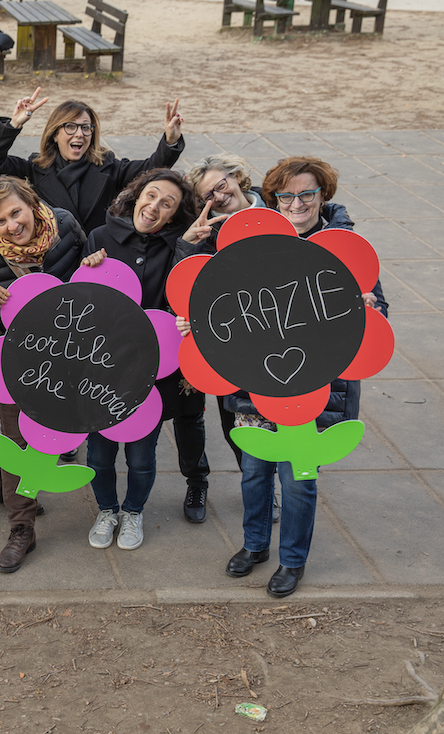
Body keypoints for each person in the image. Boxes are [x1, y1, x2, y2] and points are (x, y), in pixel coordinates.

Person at [216, 156, 388, 597]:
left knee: (297, 478)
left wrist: (370, 306)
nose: (297, 202)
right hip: (259, 380)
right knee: (254, 471)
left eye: (307, 193)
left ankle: (292, 560)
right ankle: (255, 545)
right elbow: (226, 302)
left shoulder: (345, 247)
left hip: (316, 386)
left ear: (322, 196)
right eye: (287, 195)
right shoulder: (259, 243)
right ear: (274, 198)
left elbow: (380, 314)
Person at [81, 168, 218, 551]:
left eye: (167, 204)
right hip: (101, 369)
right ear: (136, 195)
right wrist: (88, 266)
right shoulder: (101, 237)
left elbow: (183, 297)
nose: (154, 206)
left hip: (152, 373)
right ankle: (107, 510)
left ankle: (133, 511)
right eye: (151, 195)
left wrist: (188, 248)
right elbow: (80, 302)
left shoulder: (181, 245)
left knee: (142, 455)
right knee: (99, 452)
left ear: (174, 216)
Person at [0, 176, 85, 572]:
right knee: (20, 440)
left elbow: (88, 275)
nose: (12, 225)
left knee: (32, 435)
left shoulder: (64, 227)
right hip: (13, 363)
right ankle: (21, 529)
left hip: (67, 355)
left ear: (30, 204)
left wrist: (96, 263)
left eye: (15, 212)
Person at [181, 154, 267, 506]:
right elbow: (187, 281)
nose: (218, 195)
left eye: (221, 184)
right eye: (208, 195)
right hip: (232, 337)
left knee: (278, 415)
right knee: (236, 420)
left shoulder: (274, 207)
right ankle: (256, 486)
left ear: (236, 177)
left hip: (280, 330)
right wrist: (191, 243)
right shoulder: (206, 231)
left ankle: (271, 485)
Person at [0, 90, 186, 236]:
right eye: (70, 127)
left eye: (86, 127)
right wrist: (14, 124)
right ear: (54, 134)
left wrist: (170, 141)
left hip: (97, 258)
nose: (79, 134)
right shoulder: (34, 168)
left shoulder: (108, 166)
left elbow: (151, 170)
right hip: (54, 259)